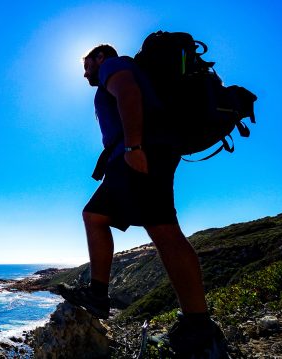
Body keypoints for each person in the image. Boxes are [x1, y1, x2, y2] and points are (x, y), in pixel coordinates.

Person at [57, 44, 227, 357]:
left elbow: (128, 93)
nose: (84, 74)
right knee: (160, 230)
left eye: (86, 65)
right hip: (151, 150)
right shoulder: (122, 69)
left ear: (100, 57)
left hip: (140, 151)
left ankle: (99, 295)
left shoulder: (114, 65)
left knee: (107, 219)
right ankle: (196, 320)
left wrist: (133, 147)